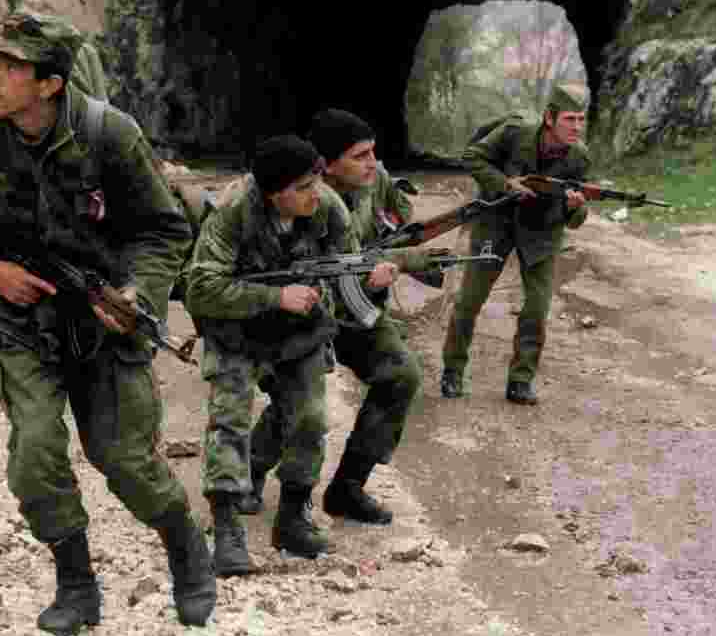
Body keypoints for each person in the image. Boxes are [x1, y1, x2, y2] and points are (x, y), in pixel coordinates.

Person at [0, 11, 215, 635]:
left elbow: (164, 231)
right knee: (34, 454)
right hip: (23, 321)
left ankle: (186, 547)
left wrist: (135, 293)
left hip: (104, 325)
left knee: (124, 461)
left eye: (11, 68)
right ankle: (76, 581)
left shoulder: (110, 135)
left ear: (49, 84)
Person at [236, 109, 422, 527]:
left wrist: (388, 267)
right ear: (327, 163)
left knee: (401, 373)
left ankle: (348, 488)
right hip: (301, 311)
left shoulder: (379, 182)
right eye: (360, 155)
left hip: (354, 305)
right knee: (298, 399)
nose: (373, 162)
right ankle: (250, 469)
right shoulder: (294, 193)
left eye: (374, 152)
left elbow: (405, 232)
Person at [183, 135, 358, 576]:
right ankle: (227, 527)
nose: (314, 193)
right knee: (230, 419)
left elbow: (348, 266)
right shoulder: (232, 214)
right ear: (272, 193)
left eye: (316, 181)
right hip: (236, 328)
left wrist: (367, 275)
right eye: (302, 187)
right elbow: (200, 289)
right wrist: (275, 296)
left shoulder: (328, 208)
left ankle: (293, 517)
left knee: (310, 417)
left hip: (299, 331)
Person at [440, 83, 591, 405]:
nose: (577, 127)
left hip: (542, 234)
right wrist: (505, 183)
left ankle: (521, 381)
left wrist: (575, 207)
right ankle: (452, 371)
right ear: (549, 118)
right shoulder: (515, 132)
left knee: (537, 310)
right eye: (569, 119)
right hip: (496, 223)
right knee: (469, 301)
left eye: (581, 119)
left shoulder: (579, 156)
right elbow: (473, 157)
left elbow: (575, 220)